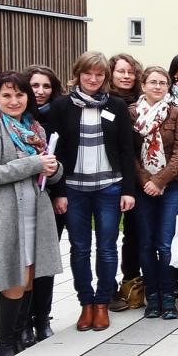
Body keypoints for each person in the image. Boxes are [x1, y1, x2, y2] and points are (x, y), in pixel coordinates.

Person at [0, 73, 63, 356]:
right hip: (5, 212)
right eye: (7, 95)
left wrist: (53, 167)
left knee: (30, 277)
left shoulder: (34, 130)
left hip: (35, 211)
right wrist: (34, 163)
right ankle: (5, 344)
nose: (14, 101)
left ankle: (22, 335)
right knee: (14, 278)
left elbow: (49, 172)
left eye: (19, 95)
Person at [49, 52, 136, 332]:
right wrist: (59, 191)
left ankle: (102, 304)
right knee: (80, 249)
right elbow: (56, 151)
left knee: (108, 249)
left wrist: (128, 190)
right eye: (88, 73)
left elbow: (126, 150)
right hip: (74, 189)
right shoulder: (62, 107)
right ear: (78, 74)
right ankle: (85, 303)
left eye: (99, 75)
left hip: (109, 187)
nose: (93, 79)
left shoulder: (116, 106)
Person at [130, 67, 178, 320]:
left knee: (165, 243)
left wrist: (160, 180)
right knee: (145, 243)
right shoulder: (131, 113)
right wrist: (147, 181)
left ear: (168, 86)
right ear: (143, 85)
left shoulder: (177, 112)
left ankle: (168, 296)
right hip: (142, 186)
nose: (157, 87)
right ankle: (151, 297)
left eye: (162, 82)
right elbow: (128, 153)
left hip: (172, 184)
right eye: (152, 82)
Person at [24, 64, 64, 343]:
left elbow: (67, 158)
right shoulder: (16, 121)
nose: (40, 91)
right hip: (20, 199)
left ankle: (42, 317)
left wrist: (61, 192)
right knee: (24, 261)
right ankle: (22, 320)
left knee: (46, 259)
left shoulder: (59, 116)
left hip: (51, 197)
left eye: (46, 86)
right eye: (35, 86)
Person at [108, 53, 144, 312]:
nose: (126, 76)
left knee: (134, 232)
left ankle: (131, 281)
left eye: (130, 72)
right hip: (110, 175)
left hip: (140, 176)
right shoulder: (105, 103)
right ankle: (107, 289)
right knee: (108, 236)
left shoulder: (145, 102)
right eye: (121, 71)